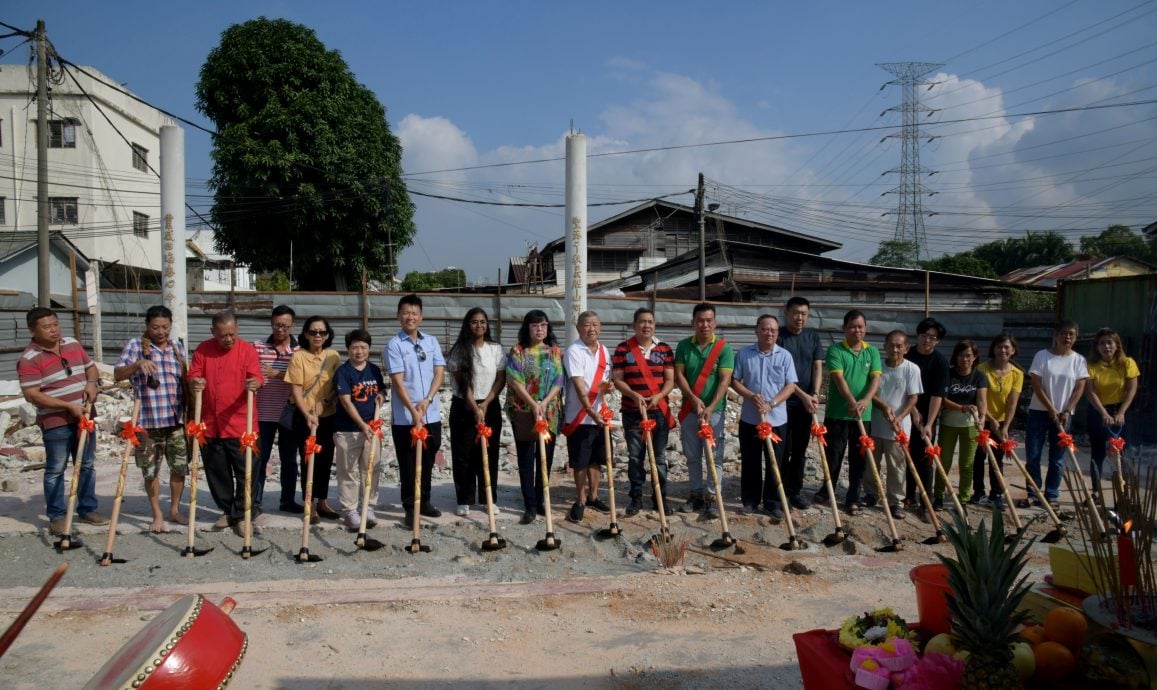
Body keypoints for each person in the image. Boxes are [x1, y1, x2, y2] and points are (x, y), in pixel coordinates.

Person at [18, 307, 108, 535]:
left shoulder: (72, 344)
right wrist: (68, 406)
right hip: (56, 422)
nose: (53, 330)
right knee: (56, 469)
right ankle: (57, 516)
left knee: (86, 465)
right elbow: (32, 394)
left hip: (85, 417)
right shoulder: (29, 359)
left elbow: (91, 370)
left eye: (55, 324)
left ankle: (87, 509)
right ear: (33, 330)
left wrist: (90, 385)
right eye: (47, 327)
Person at [186, 311, 263, 535]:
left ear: (237, 329)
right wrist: (195, 381)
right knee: (216, 471)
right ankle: (227, 510)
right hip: (210, 423)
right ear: (213, 333)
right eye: (223, 335)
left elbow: (257, 377)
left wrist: (255, 383)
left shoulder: (247, 350)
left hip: (242, 425)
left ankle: (242, 514)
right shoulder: (203, 349)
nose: (228, 339)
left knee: (246, 471)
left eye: (232, 334)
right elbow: (194, 374)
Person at [113, 305, 189, 533]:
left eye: (165, 327)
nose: (161, 331)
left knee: (179, 468)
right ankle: (157, 514)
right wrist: (137, 364)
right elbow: (117, 374)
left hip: (175, 421)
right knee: (150, 471)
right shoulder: (135, 346)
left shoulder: (177, 348)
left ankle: (174, 509)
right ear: (147, 325)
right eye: (156, 327)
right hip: (147, 422)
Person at [385, 294, 446, 527]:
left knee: (429, 455)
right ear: (398, 315)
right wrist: (413, 409)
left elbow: (439, 372)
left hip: (430, 413)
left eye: (414, 313)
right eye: (405, 312)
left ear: (421, 316)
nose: (410, 317)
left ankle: (426, 500)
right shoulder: (395, 345)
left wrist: (428, 400)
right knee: (409, 461)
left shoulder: (430, 341)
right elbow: (398, 382)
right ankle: (410, 506)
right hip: (406, 417)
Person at [813, 310, 881, 515]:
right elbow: (838, 379)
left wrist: (866, 400)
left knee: (859, 457)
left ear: (866, 329)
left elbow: (875, 379)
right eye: (852, 326)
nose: (856, 330)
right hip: (838, 413)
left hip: (863, 415)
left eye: (860, 326)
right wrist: (852, 401)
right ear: (844, 329)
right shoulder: (835, 350)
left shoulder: (873, 352)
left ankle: (853, 496)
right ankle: (827, 489)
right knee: (833, 455)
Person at [731, 315, 798, 519]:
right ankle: (750, 500)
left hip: (776, 419)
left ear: (777, 333)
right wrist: (751, 395)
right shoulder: (744, 354)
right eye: (765, 329)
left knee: (775, 461)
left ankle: (773, 502)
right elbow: (735, 381)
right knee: (750, 461)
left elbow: (791, 385)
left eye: (773, 330)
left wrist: (772, 403)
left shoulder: (785, 356)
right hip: (751, 419)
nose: (769, 333)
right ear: (757, 330)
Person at [611, 307, 676, 516]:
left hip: (659, 411)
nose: (646, 325)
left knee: (658, 457)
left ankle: (660, 497)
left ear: (654, 325)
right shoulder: (623, 349)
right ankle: (636, 497)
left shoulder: (664, 349)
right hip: (632, 411)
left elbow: (670, 380)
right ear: (634, 325)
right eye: (642, 321)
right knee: (635, 457)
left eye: (650, 321)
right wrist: (634, 395)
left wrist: (658, 396)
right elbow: (618, 379)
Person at [674, 302, 735, 517]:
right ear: (693, 323)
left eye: (709, 320)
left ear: (715, 323)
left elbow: (725, 379)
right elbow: (679, 376)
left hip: (714, 412)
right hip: (690, 410)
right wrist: (693, 398)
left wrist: (710, 406)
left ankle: (712, 496)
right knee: (692, 456)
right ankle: (696, 494)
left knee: (715, 457)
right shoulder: (683, 346)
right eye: (700, 320)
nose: (705, 325)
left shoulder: (724, 348)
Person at [505, 310, 565, 525]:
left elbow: (559, 380)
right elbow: (514, 380)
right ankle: (529, 504)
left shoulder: (554, 352)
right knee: (526, 459)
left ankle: (541, 500)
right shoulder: (518, 351)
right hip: (523, 411)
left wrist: (545, 403)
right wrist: (532, 404)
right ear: (527, 328)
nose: (539, 330)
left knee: (545, 459)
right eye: (534, 325)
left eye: (543, 325)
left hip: (549, 413)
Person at [447, 308, 506, 516]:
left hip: (490, 405)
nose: (478, 326)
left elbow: (501, 378)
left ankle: (488, 497)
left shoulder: (495, 349)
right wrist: (474, 407)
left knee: (489, 452)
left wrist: (486, 403)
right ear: (467, 324)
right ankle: (464, 498)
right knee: (464, 453)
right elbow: (462, 384)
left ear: (487, 324)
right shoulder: (459, 350)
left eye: (482, 322)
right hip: (464, 405)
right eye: (474, 322)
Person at [1024, 320, 1089, 509]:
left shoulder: (1078, 360)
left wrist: (1067, 410)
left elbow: (1079, 388)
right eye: (1063, 333)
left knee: (1058, 457)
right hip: (1039, 411)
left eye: (1071, 334)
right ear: (1056, 335)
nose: (1067, 337)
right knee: (1033, 453)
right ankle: (1033, 492)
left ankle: (1051, 494)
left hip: (1064, 415)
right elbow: (1036, 383)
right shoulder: (1042, 356)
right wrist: (1050, 407)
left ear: (1075, 337)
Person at [285, 316, 342, 522]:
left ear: (328, 335)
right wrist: (307, 413)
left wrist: (326, 401)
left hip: (327, 416)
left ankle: (323, 501)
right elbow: (296, 389)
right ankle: (309, 502)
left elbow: (339, 386)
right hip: (305, 419)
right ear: (306, 334)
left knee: (326, 459)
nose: (317, 336)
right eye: (313, 332)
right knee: (308, 459)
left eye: (322, 332)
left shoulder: (333, 356)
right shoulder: (298, 357)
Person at [562, 311, 612, 523]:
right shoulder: (573, 351)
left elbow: (603, 382)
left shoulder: (604, 350)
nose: (592, 329)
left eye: (595, 324)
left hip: (600, 415)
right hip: (580, 416)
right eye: (587, 325)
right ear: (579, 327)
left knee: (596, 459)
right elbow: (579, 384)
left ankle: (593, 496)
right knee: (580, 461)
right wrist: (591, 411)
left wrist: (608, 388)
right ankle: (580, 499)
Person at [333, 329, 385, 531]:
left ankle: (368, 507)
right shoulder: (343, 372)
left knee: (371, 468)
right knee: (348, 471)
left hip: (373, 429)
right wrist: (362, 426)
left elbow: (380, 390)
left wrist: (381, 395)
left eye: (363, 347)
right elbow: (346, 402)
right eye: (355, 347)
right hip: (348, 430)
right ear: (348, 349)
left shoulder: (374, 370)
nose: (359, 351)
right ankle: (350, 511)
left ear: (369, 349)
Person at [253, 304, 302, 514]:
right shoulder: (257, 347)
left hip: (290, 413)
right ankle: (255, 502)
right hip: (262, 413)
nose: (279, 329)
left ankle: (287, 500)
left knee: (289, 460)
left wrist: (277, 374)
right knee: (259, 459)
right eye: (276, 325)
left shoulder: (301, 351)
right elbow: (248, 373)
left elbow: (304, 380)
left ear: (293, 326)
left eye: (284, 325)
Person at [777, 296, 825, 510]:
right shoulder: (778, 336)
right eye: (795, 313)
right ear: (786, 313)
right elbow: (783, 376)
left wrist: (813, 393)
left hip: (806, 404)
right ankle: (778, 490)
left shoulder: (813, 337)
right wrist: (803, 395)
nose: (799, 317)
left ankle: (795, 491)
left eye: (804, 314)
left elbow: (817, 367)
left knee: (800, 449)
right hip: (783, 402)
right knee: (783, 448)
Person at [869, 330, 921, 519]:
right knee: (871, 462)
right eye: (891, 345)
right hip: (875, 423)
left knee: (897, 465)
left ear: (906, 348)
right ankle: (871, 494)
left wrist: (899, 418)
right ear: (884, 347)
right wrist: (883, 407)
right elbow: (870, 393)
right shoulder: (877, 367)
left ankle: (896, 501)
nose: (895, 349)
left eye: (899, 346)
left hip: (898, 427)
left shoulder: (911, 369)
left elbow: (913, 398)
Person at [904, 318, 949, 515]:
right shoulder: (909, 355)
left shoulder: (940, 362)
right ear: (917, 336)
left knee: (925, 456)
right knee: (907, 453)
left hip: (929, 413)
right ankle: (908, 495)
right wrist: (913, 412)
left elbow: (937, 395)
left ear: (937, 341)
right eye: (924, 335)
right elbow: (905, 387)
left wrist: (929, 423)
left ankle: (926, 499)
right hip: (906, 410)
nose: (927, 340)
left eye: (932, 337)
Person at [1084, 327, 1138, 491]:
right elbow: (1090, 391)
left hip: (1120, 410)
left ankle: (1120, 493)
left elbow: (1132, 388)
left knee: (1119, 455)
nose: (1106, 347)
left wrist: (1121, 412)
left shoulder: (1127, 363)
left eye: (1110, 343)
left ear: (1117, 345)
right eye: (1102, 343)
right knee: (1098, 453)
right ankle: (1096, 492)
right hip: (1098, 410)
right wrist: (1103, 413)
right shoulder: (1091, 366)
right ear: (1097, 347)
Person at [973, 334, 1022, 510]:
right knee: (979, 457)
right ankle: (978, 492)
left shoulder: (1017, 374)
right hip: (981, 420)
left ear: (1013, 350)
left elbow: (1012, 402)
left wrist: (1005, 426)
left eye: (1007, 347)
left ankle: (996, 494)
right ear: (993, 349)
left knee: (998, 459)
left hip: (1002, 422)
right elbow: (980, 398)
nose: (1003, 350)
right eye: (999, 347)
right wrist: (989, 419)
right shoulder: (982, 369)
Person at [937, 340, 988, 509]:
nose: (964, 359)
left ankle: (964, 497)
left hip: (970, 426)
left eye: (968, 355)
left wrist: (981, 418)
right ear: (955, 356)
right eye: (961, 355)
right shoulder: (948, 374)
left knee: (967, 464)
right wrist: (962, 408)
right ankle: (939, 495)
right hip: (948, 423)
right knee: (943, 461)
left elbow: (981, 399)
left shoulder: (979, 376)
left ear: (974, 357)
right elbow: (943, 400)